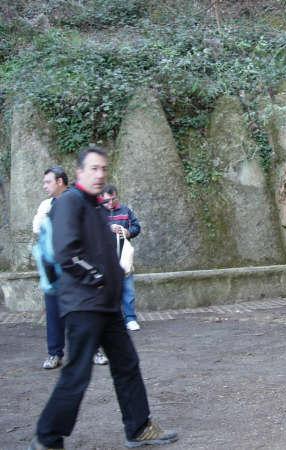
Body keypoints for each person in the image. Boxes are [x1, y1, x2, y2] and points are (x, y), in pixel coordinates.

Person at [29, 146, 177, 450]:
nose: (100, 174)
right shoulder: (70, 202)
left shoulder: (96, 206)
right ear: (80, 172)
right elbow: (66, 253)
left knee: (126, 364)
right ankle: (46, 438)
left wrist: (111, 283)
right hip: (84, 304)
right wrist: (97, 278)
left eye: (103, 169)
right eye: (93, 168)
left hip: (106, 305)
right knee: (77, 373)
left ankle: (138, 428)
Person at [32, 167, 68, 370]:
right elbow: (37, 228)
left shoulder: (76, 201)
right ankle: (55, 353)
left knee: (82, 313)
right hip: (52, 270)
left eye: (48, 182)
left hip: (73, 269)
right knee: (53, 314)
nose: (45, 186)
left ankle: (93, 350)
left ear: (60, 181)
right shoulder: (46, 205)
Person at [101, 185, 141, 331]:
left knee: (128, 288)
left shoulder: (126, 210)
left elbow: (136, 227)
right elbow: (92, 230)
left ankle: (130, 318)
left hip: (123, 257)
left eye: (113, 199)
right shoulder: (98, 212)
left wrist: (128, 232)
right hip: (105, 258)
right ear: (101, 199)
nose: (111, 203)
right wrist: (109, 228)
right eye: (107, 200)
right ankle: (110, 320)